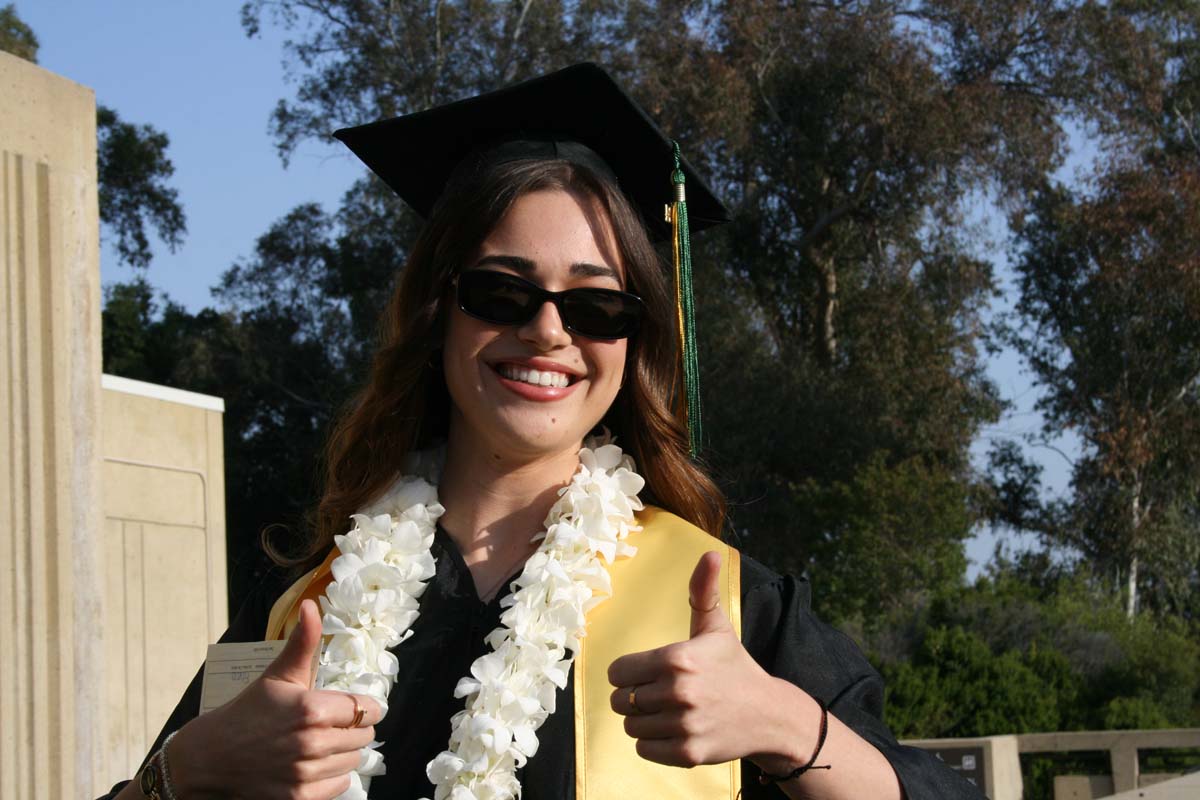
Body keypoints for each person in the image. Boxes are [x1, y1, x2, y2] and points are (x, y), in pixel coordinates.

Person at [101, 64, 986, 800]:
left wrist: (788, 726)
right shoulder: (303, 600)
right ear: (438, 312)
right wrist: (186, 772)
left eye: (598, 304)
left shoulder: (715, 600)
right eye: (503, 292)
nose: (549, 332)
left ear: (633, 341)